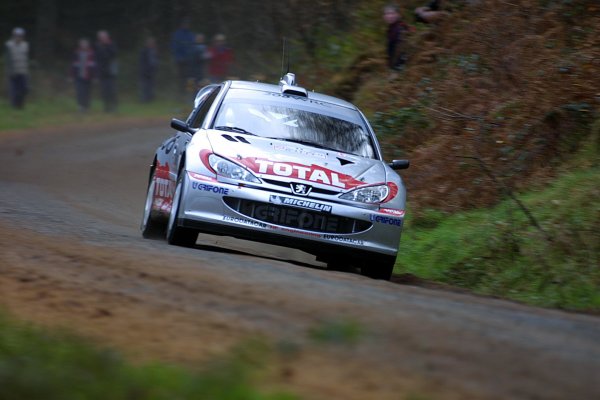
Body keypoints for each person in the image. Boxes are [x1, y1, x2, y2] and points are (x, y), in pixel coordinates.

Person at [5, 27, 29, 109]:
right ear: (14, 36)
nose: (19, 37)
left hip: (23, 71)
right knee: (14, 91)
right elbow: (8, 60)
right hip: (13, 72)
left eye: (20, 36)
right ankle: (15, 106)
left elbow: (25, 58)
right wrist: (10, 71)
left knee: (24, 89)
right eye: (17, 36)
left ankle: (20, 104)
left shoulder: (25, 45)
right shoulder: (9, 45)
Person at [95, 30, 118, 112]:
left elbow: (113, 55)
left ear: (107, 37)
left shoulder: (111, 44)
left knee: (112, 90)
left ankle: (114, 107)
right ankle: (106, 107)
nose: (102, 39)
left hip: (111, 72)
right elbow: (97, 59)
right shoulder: (98, 46)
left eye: (104, 37)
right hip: (102, 72)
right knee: (104, 91)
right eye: (101, 38)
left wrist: (106, 46)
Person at [70, 38, 95, 112]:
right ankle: (80, 106)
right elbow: (73, 65)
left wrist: (95, 77)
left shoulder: (92, 53)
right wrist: (71, 75)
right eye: (82, 44)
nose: (84, 46)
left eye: (85, 44)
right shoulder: (76, 53)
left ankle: (87, 107)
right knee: (79, 91)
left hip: (88, 76)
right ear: (80, 45)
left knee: (87, 92)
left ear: (88, 45)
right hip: (78, 76)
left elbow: (94, 66)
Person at [171, 18, 195, 94]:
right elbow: (174, 47)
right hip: (180, 61)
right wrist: (178, 57)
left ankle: (189, 93)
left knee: (190, 78)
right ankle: (180, 94)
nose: (186, 26)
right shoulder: (178, 34)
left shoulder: (190, 35)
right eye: (185, 24)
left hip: (189, 60)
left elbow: (193, 47)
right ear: (182, 25)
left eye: (187, 24)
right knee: (180, 78)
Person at [383, 5, 410, 71]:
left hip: (400, 67)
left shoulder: (400, 28)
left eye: (392, 13)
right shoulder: (391, 28)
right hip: (394, 66)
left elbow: (402, 50)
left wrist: (397, 67)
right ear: (384, 17)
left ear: (398, 14)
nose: (390, 16)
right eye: (387, 14)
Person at [139, 37, 158, 103]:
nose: (152, 44)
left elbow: (155, 62)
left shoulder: (154, 51)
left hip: (151, 72)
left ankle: (150, 99)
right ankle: (144, 99)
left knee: (151, 86)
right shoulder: (144, 51)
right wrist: (145, 71)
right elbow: (142, 62)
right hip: (145, 72)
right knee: (144, 87)